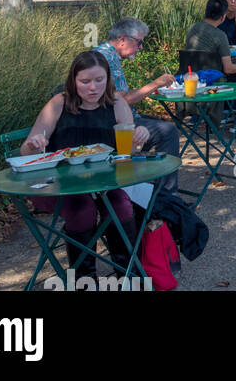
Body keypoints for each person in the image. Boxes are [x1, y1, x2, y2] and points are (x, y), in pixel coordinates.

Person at [22, 49, 149, 279]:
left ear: (108, 79)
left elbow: (126, 155)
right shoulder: (59, 103)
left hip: (106, 181)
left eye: (99, 80)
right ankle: (84, 279)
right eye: (85, 81)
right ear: (73, 80)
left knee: (121, 205)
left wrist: (138, 135)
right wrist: (33, 144)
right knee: (82, 209)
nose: (93, 88)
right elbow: (26, 151)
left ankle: (127, 275)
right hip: (62, 183)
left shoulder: (117, 103)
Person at [93, 19, 182, 191]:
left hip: (106, 119)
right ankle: (166, 198)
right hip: (109, 124)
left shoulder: (103, 52)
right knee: (168, 132)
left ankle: (144, 189)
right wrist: (155, 84)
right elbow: (120, 102)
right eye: (139, 42)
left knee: (157, 126)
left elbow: (118, 95)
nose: (141, 47)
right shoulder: (108, 58)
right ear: (122, 39)